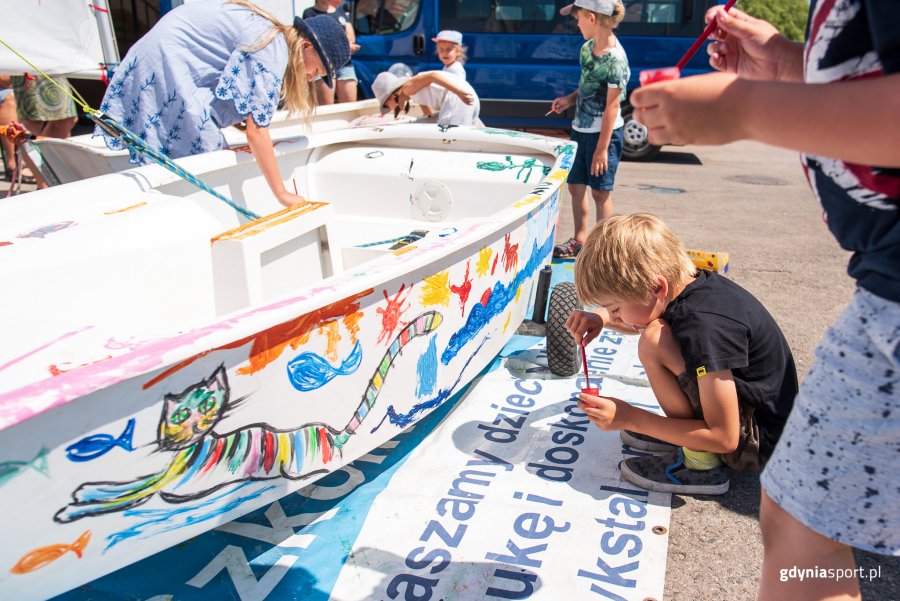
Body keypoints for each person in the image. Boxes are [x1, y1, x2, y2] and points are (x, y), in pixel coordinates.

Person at [630, 3, 899, 599]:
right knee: (799, 521)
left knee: (804, 524)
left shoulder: (700, 323)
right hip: (882, 280)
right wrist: (786, 64)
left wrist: (742, 108)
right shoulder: (690, 303)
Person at [566, 213, 798, 496]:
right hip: (753, 418)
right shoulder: (689, 288)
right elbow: (640, 314)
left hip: (755, 443)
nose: (615, 316)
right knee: (654, 332)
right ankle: (681, 433)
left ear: (657, 287)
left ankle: (701, 464)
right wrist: (602, 317)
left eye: (615, 307)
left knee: (654, 339)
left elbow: (725, 438)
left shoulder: (705, 327)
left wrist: (630, 417)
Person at [96, 0, 350, 207]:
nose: (311, 78)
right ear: (306, 47)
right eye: (317, 70)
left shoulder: (269, 35)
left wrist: (246, 130)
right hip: (168, 62)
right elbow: (257, 130)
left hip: (158, 55)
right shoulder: (273, 50)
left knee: (203, 143)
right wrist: (283, 194)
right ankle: (187, 211)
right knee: (206, 154)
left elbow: (237, 96)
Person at [548, 0, 629, 259]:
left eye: (578, 17)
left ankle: (603, 248)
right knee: (575, 185)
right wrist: (569, 100)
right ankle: (580, 240)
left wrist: (602, 149)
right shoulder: (586, 49)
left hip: (604, 134)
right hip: (580, 129)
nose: (576, 22)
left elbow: (612, 107)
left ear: (591, 18)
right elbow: (586, 86)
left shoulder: (616, 59)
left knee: (600, 191)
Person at [11, 74, 79, 189]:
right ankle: (44, 183)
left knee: (65, 118)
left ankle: (53, 176)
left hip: (55, 63)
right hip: (29, 64)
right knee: (31, 120)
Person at [372, 68, 479, 126]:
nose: (390, 108)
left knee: (450, 139)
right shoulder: (411, 93)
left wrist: (459, 92)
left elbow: (432, 76)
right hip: (466, 94)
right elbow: (427, 113)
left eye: (386, 105)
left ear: (391, 96)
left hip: (457, 97)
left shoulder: (408, 87)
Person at [302, 0, 361, 104]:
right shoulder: (309, 12)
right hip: (321, 63)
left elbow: (351, 38)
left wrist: (334, 42)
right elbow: (313, 37)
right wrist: (342, 43)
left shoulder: (340, 12)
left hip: (345, 65)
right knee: (326, 107)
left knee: (350, 106)